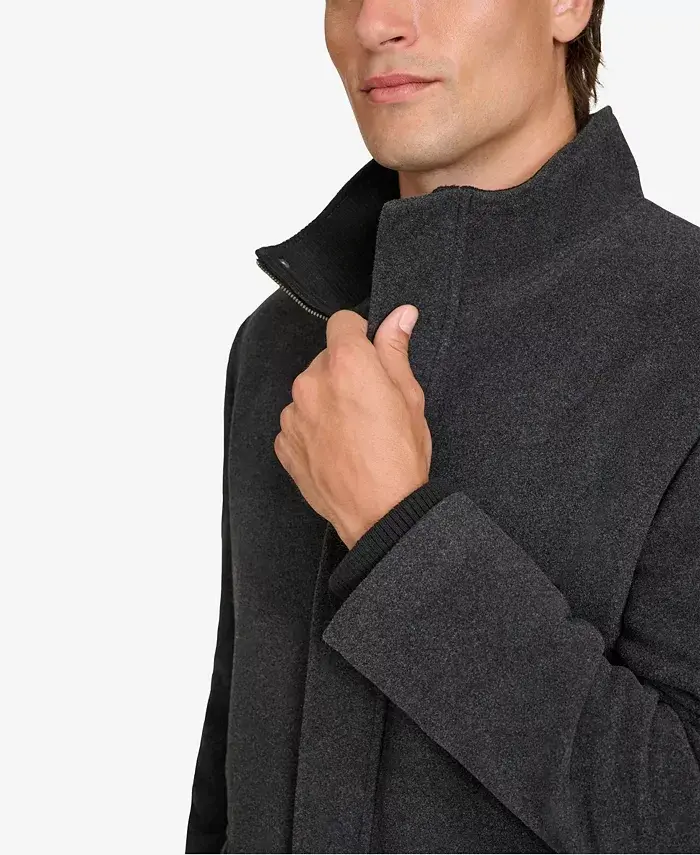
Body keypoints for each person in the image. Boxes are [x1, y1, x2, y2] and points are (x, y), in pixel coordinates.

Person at [186, 1, 700, 852]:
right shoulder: (283, 342)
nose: (374, 22)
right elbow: (229, 779)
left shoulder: (683, 338)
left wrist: (400, 535)